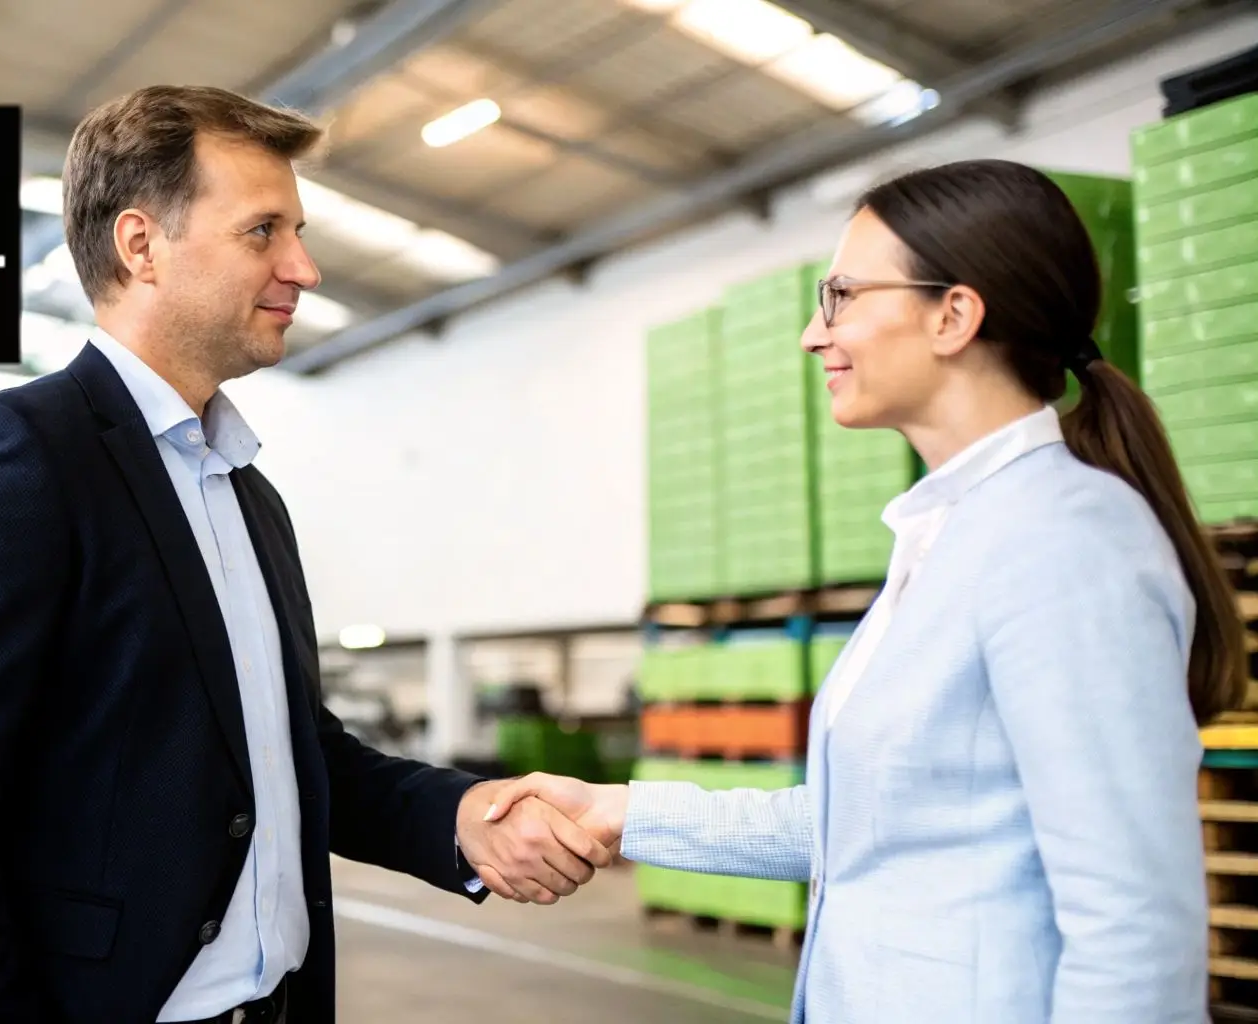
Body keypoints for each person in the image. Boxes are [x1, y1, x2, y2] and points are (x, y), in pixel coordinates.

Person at [0, 84, 612, 1024]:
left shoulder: (247, 495)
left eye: (298, 232)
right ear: (140, 245)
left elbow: (295, 752)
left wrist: (460, 817)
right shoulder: (20, 456)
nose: (303, 268)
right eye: (262, 231)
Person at [483, 158, 1246, 1024]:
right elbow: (873, 824)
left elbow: (1134, 922)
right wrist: (621, 810)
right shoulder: (950, 535)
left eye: (842, 295)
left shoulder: (1065, 541)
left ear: (954, 315)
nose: (814, 334)